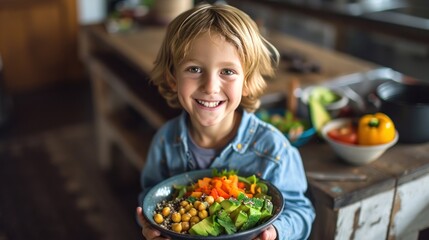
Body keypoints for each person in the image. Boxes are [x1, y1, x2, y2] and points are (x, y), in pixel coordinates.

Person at [136, 3, 315, 240]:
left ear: (248, 82)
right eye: (194, 68)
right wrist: (148, 225)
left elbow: (302, 212)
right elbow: (150, 197)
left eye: (227, 72)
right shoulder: (165, 141)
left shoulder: (275, 150)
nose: (210, 87)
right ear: (172, 79)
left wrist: (276, 232)